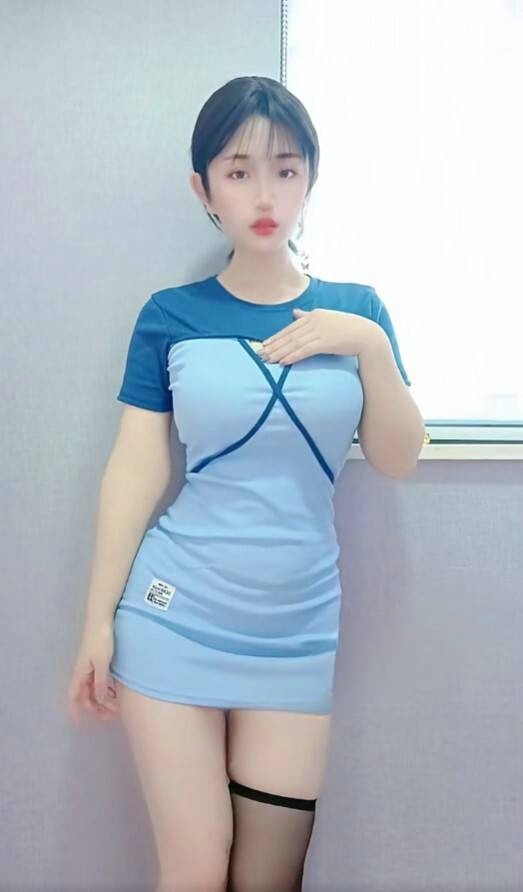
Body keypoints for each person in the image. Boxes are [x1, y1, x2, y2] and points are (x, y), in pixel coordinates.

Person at [68, 75, 421, 892]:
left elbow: (398, 458)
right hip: (174, 613)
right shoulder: (171, 315)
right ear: (203, 190)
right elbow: (136, 468)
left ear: (310, 180)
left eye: (285, 170)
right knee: (195, 870)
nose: (264, 194)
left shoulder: (356, 312)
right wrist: (96, 623)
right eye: (238, 171)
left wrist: (367, 346)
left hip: (296, 629)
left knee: (270, 877)